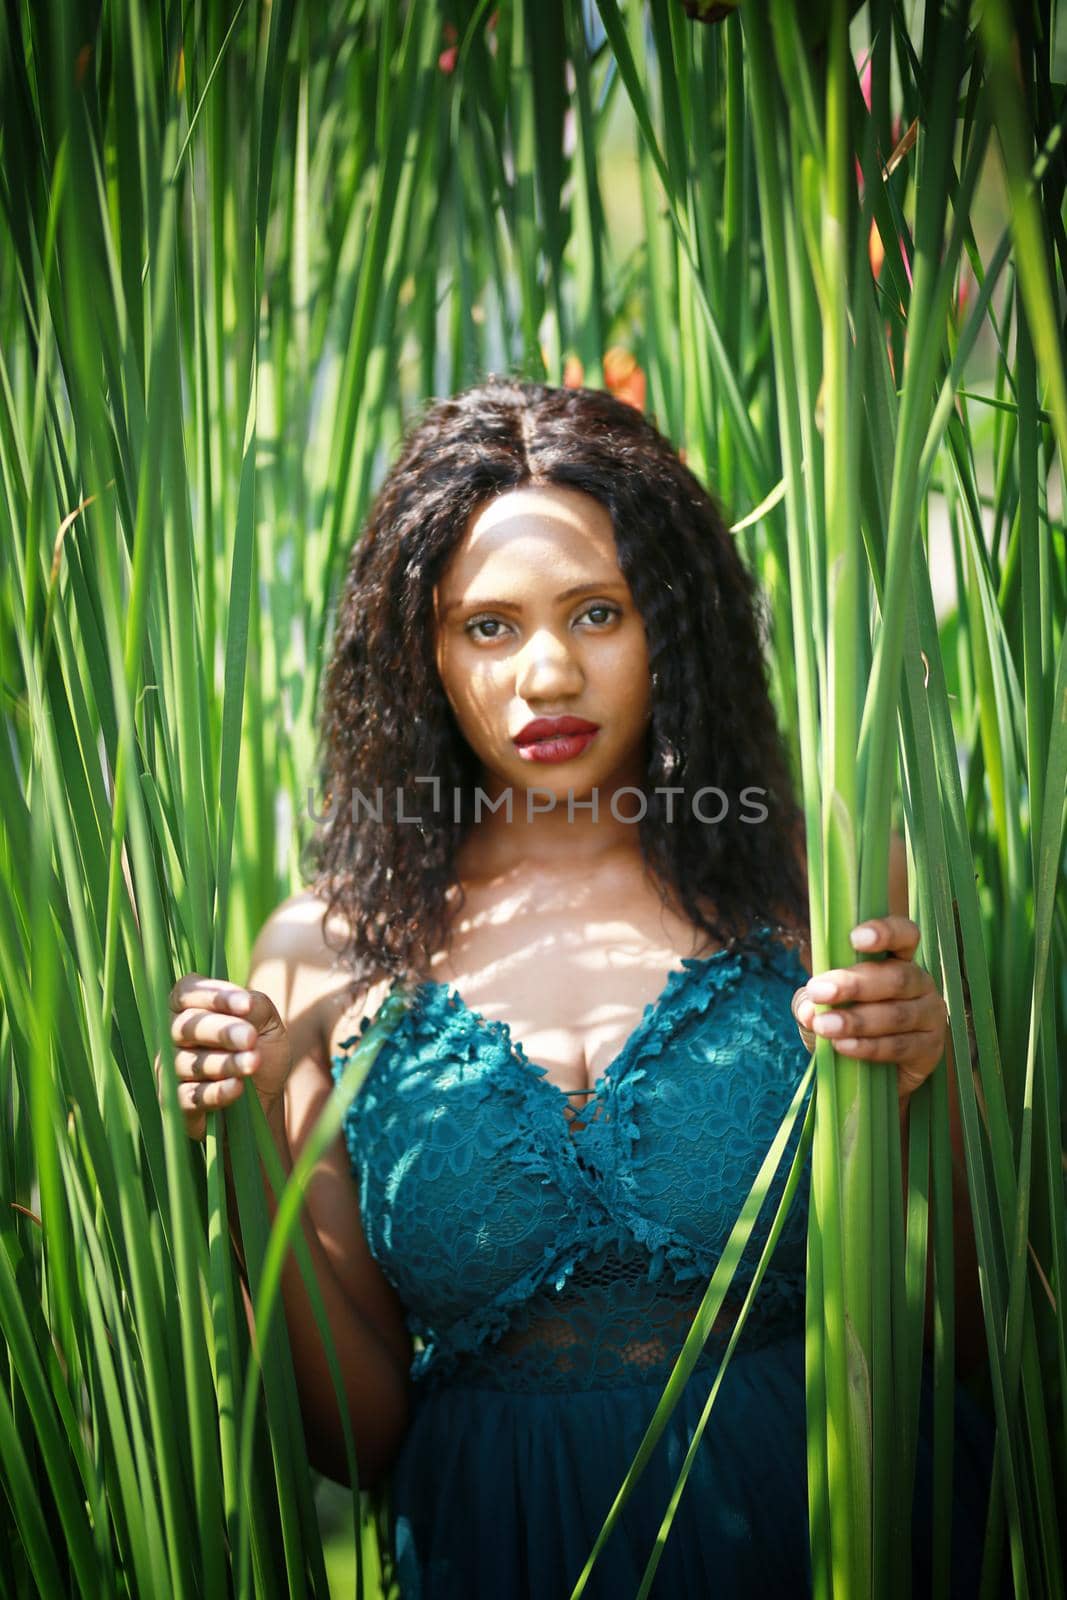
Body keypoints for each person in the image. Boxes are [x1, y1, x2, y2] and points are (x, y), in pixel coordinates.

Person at [157, 378, 997, 1597]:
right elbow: (354, 1440)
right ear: (420, 654)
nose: (545, 674)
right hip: (500, 1549)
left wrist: (936, 1077)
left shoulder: (820, 880)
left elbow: (971, 1339)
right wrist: (237, 1157)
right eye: (485, 627)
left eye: (595, 612)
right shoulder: (321, 956)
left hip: (845, 1528)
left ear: (672, 619)